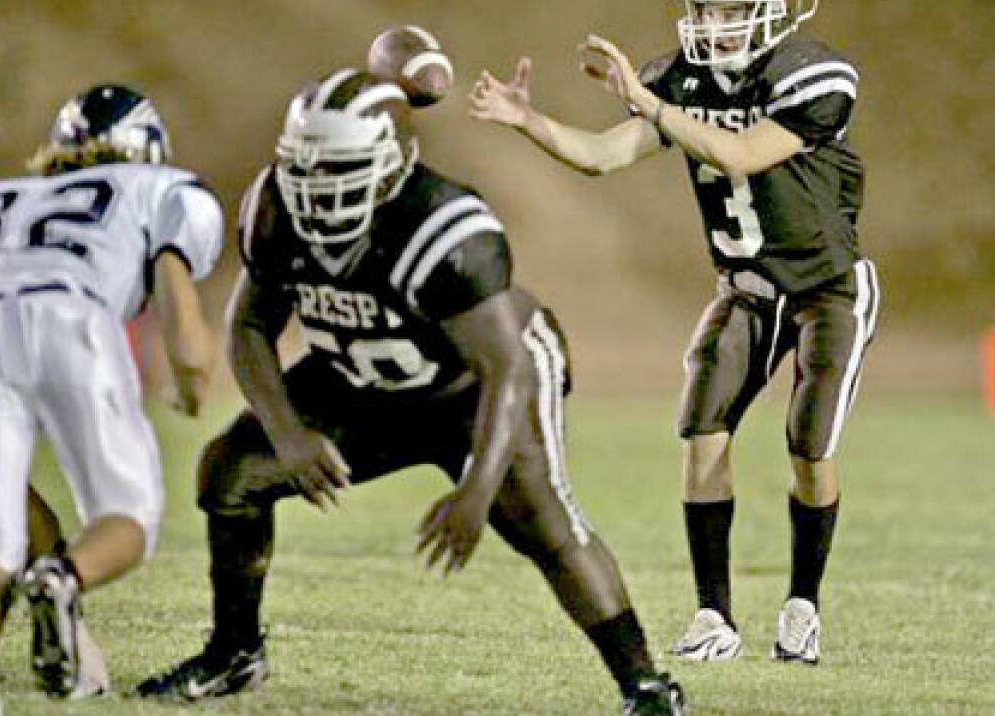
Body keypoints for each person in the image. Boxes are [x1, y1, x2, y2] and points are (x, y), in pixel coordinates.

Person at [134, 69, 686, 715]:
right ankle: (234, 654)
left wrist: (477, 490)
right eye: (305, 166)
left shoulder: (445, 227)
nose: (316, 187)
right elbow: (249, 329)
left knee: (545, 523)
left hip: (473, 387)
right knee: (231, 473)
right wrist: (289, 434)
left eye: (337, 167)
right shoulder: (275, 207)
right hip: (361, 380)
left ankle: (646, 685)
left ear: (389, 163)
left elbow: (506, 368)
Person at [470, 0, 879, 665]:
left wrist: (646, 102)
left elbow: (741, 154)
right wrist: (527, 121)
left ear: (767, 14)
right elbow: (602, 156)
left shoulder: (811, 76)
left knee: (809, 448)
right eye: (704, 8)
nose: (710, 23)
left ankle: (802, 605)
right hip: (746, 287)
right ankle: (713, 618)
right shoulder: (681, 84)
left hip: (826, 287)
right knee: (702, 432)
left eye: (727, 9)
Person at [0, 82, 223, 716]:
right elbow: (181, 310)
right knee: (127, 520)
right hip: (71, 317)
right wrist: (194, 379)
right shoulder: (162, 188)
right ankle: (62, 578)